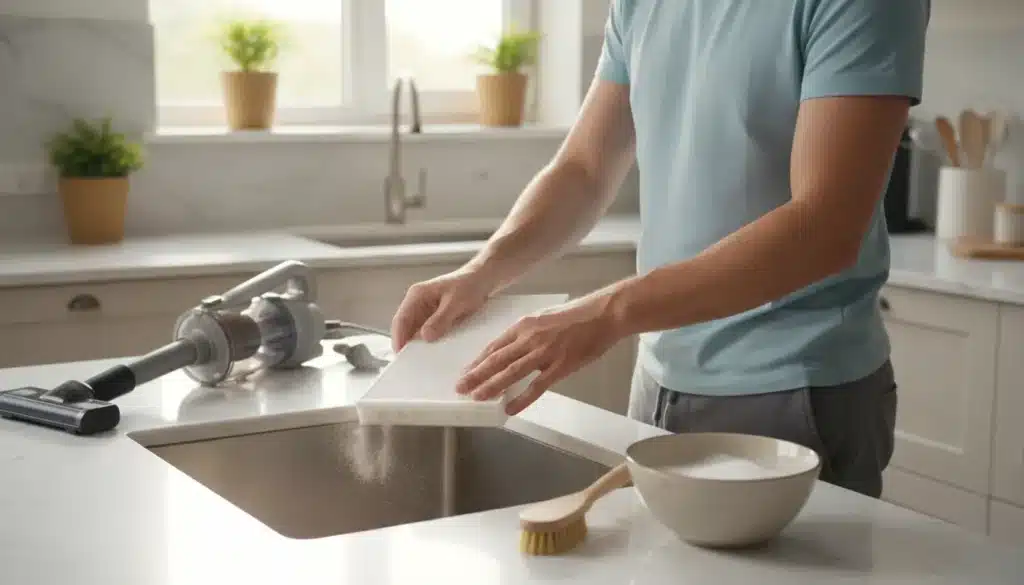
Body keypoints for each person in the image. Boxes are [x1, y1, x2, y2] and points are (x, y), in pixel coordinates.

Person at [390, 0, 930, 499]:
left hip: (794, 392)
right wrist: (483, 272)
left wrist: (607, 312)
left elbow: (824, 227)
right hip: (658, 382)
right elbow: (584, 167)